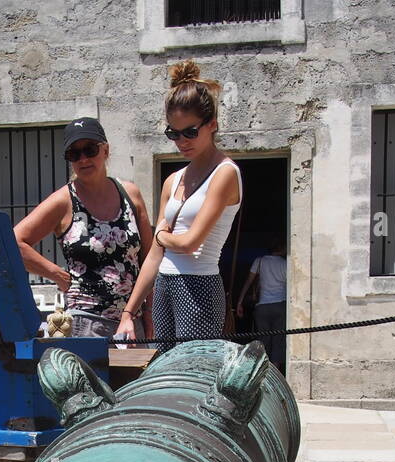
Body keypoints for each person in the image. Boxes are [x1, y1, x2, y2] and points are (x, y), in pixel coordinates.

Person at [116, 61, 242, 352]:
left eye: (190, 132)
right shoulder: (173, 180)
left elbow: (189, 243)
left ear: (212, 125)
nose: (181, 141)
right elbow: (154, 257)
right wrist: (128, 312)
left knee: (194, 376)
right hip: (164, 285)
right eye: (173, 134)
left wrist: (161, 235)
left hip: (199, 286)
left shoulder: (225, 173)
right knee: (164, 371)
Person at [14, 117, 154, 339]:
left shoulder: (131, 195)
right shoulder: (63, 201)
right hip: (85, 324)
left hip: (130, 324)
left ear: (105, 150)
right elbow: (12, 242)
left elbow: (148, 257)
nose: (83, 159)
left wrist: (149, 311)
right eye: (74, 154)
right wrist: (57, 274)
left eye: (89, 150)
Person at [237, 237, 287, 371]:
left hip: (262, 307)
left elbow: (248, 282)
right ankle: (276, 373)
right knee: (278, 340)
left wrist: (239, 302)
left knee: (263, 341)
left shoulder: (259, 261)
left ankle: (261, 372)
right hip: (280, 306)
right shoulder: (285, 264)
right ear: (281, 248)